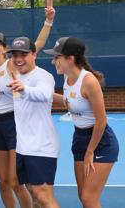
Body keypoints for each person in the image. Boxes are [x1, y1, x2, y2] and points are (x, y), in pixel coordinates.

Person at [0, 0, 56, 208]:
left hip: (13, 124)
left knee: (16, 181)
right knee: (4, 182)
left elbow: (37, 46)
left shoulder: (11, 65)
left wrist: (48, 22)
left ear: (4, 49)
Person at [44, 37, 119, 207]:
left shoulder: (89, 81)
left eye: (57, 57)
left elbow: (101, 120)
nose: (52, 61)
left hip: (100, 141)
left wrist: (90, 151)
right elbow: (69, 101)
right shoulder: (67, 78)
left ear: (70, 59)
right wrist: (36, 94)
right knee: (82, 195)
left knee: (88, 198)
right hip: (79, 138)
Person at [5, 36, 60, 208]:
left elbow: (44, 94)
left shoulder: (44, 76)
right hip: (23, 147)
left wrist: (24, 89)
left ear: (34, 54)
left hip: (41, 148)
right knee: (34, 196)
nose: (19, 59)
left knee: (44, 197)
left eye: (23, 54)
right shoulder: (16, 75)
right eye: (15, 55)